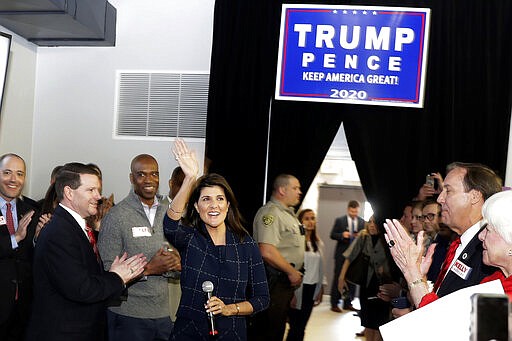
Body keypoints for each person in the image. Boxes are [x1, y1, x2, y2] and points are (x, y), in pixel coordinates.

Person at [25, 162, 146, 341]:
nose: (98, 196)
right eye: (91, 190)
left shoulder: (73, 227)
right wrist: (117, 277)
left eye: (98, 189)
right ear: (69, 193)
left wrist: (117, 276)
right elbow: (82, 289)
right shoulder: (60, 233)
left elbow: (86, 278)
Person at [163, 139, 269, 340]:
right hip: (189, 332)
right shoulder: (189, 237)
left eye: (220, 199)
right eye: (206, 199)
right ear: (196, 207)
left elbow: (262, 299)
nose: (214, 205)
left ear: (228, 205)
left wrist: (230, 309)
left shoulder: (246, 244)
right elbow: (169, 225)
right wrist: (190, 178)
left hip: (232, 332)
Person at [383, 162, 501, 310]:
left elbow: (464, 324)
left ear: (474, 196)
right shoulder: (459, 242)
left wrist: (413, 273)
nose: (440, 199)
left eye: (448, 191)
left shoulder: (491, 251)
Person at [98, 154, 181, 341]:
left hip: (163, 315)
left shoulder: (169, 214)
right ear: (131, 178)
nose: (149, 180)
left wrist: (176, 265)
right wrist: (149, 269)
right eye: (141, 175)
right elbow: (107, 271)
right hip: (128, 315)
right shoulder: (116, 216)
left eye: (154, 174)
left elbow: (177, 261)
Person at [249, 173, 305, 341]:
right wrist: (292, 272)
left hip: (283, 284)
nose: (299, 192)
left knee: (277, 328)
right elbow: (266, 250)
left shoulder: (289, 215)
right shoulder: (271, 213)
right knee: (267, 331)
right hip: (272, 282)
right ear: (282, 190)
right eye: (295, 188)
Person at [0, 153, 38, 341]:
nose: (14, 179)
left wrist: (39, 238)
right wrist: (15, 238)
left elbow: (34, 256)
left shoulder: (32, 209)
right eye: (7, 173)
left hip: (23, 306)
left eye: (19, 174)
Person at [338, 215, 394, 341]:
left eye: (375, 222)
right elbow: (349, 257)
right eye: (370, 222)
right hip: (367, 284)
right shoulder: (363, 237)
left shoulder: (387, 238)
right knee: (368, 320)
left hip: (383, 285)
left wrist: (385, 270)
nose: (372, 225)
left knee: (380, 321)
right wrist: (341, 277)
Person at [286, 208, 327, 341]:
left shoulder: (318, 243)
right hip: (298, 288)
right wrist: (292, 293)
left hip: (311, 288)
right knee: (294, 326)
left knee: (302, 326)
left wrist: (321, 288)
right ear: (300, 221)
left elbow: (321, 268)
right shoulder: (295, 243)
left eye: (313, 218)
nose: (310, 222)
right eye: (307, 219)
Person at [329, 200, 365, 312]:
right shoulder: (340, 221)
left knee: (352, 279)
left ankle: (347, 303)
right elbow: (332, 235)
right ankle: (334, 303)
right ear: (348, 209)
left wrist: (360, 235)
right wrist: (341, 235)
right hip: (341, 255)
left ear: (358, 210)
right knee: (338, 279)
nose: (354, 213)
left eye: (356, 211)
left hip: (354, 256)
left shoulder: (362, 222)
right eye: (352, 211)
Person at [161, 166, 185, 322]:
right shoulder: (155, 211)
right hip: (165, 294)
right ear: (171, 183)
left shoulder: (198, 214)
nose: (186, 190)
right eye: (181, 184)